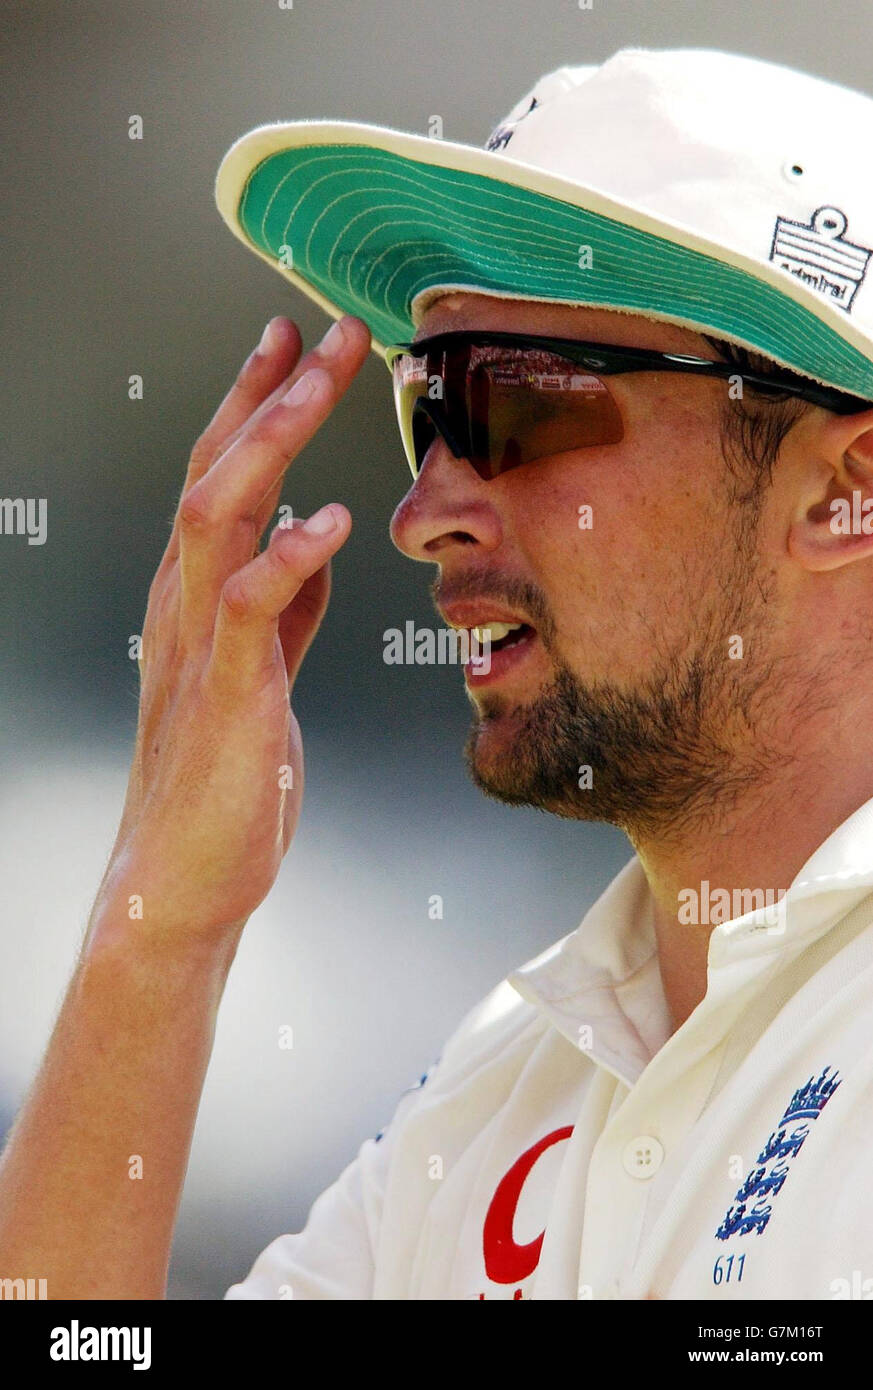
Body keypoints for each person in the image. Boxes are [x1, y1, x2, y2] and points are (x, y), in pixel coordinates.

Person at [2, 46, 873, 1301]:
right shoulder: (489, 1105)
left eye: (512, 401)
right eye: (429, 406)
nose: (424, 512)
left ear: (844, 494)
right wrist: (159, 935)